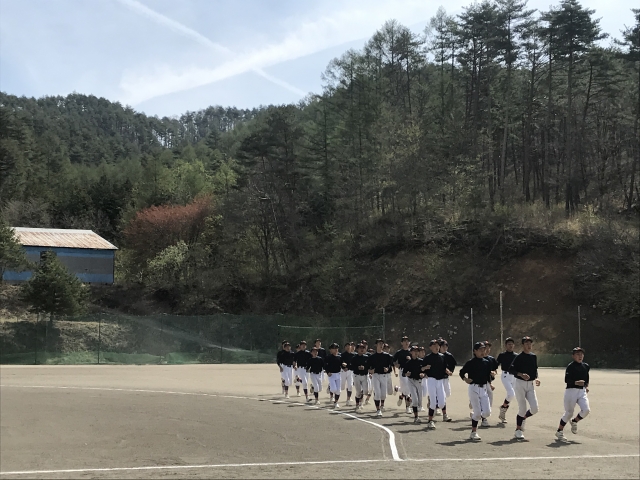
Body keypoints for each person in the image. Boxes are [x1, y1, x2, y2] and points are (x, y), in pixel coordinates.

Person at [509, 336, 541, 440]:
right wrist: (521, 374)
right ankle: (518, 430)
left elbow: (535, 370)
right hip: (520, 384)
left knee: (535, 408)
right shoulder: (519, 357)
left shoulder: (533, 356)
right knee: (522, 408)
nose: (529, 345)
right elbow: (511, 370)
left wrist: (536, 378)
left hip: (530, 385)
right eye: (526, 343)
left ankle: (523, 418)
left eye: (530, 343)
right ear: (523, 345)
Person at [555, 347, 591, 441]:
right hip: (571, 391)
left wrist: (586, 386)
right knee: (569, 413)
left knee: (586, 410)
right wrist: (576, 382)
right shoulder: (570, 366)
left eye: (581, 354)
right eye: (577, 354)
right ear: (573, 356)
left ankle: (574, 421)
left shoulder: (586, 366)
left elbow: (586, 379)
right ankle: (559, 431)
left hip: (582, 391)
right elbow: (567, 380)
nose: (580, 356)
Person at [459, 342, 492, 441]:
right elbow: (461, 372)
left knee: (487, 412)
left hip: (483, 389)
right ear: (475, 351)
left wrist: (490, 383)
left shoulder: (487, 362)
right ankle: (473, 432)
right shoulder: (471, 363)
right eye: (480, 350)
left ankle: (474, 415)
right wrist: (465, 379)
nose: (483, 352)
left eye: (484, 349)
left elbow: (488, 376)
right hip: (473, 388)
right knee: (477, 413)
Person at [421, 339, 451, 429]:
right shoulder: (428, 357)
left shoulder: (442, 356)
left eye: (438, 345)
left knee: (442, 402)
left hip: (440, 380)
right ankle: (430, 421)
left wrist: (447, 371)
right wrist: (425, 368)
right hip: (431, 380)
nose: (436, 347)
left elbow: (444, 367)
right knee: (433, 402)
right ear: (430, 347)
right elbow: (421, 368)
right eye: (434, 345)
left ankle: (443, 413)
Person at [368, 338, 394, 417]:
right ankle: (378, 409)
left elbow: (390, 366)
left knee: (383, 394)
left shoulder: (387, 356)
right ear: (376, 345)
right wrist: (370, 371)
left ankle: (382, 405)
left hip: (384, 376)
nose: (381, 345)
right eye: (379, 343)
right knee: (377, 393)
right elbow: (368, 366)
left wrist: (387, 369)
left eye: (382, 344)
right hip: (375, 375)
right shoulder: (372, 357)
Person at [496, 337, 517, 423]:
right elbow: (496, 364)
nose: (510, 346)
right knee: (511, 393)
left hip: (514, 377)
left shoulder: (516, 356)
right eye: (509, 344)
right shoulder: (502, 355)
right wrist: (493, 370)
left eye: (512, 344)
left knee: (511, 395)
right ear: (506, 345)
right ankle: (503, 408)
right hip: (505, 376)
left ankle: (503, 410)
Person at [402, 346, 425, 424]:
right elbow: (403, 373)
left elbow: (426, 371)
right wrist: (406, 374)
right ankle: (416, 417)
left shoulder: (421, 361)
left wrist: (423, 374)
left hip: (419, 381)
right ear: (411, 352)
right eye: (414, 351)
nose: (416, 352)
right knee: (415, 400)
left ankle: (410, 401)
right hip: (411, 381)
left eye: (417, 351)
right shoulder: (408, 363)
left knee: (420, 402)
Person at [393, 336, 413, 414]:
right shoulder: (399, 352)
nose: (406, 342)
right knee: (407, 387)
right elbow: (393, 360)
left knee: (407, 388)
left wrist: (411, 360)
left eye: (407, 341)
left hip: (411, 371)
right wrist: (396, 364)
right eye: (404, 341)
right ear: (401, 343)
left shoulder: (412, 351)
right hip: (403, 371)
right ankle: (408, 407)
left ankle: (398, 389)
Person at [482, 340, 499, 427]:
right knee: (483, 398)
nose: (487, 349)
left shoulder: (491, 359)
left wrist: (494, 373)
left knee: (490, 398)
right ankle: (483, 418)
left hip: (488, 382)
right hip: (480, 383)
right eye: (485, 347)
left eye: (488, 347)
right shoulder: (479, 359)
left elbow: (495, 370)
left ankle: (483, 414)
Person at [439, 339, 456, 421]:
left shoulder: (449, 356)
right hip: (438, 379)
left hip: (446, 378)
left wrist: (451, 371)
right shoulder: (436, 356)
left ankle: (436, 403)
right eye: (443, 346)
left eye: (446, 346)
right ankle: (444, 414)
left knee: (447, 394)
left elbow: (453, 364)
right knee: (442, 396)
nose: (445, 348)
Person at [350, 343, 370, 412]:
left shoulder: (367, 357)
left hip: (364, 375)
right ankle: (357, 405)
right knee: (358, 392)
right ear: (357, 349)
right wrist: (357, 367)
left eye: (363, 348)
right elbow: (351, 367)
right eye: (360, 348)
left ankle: (361, 401)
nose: (362, 349)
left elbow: (369, 366)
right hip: (356, 375)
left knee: (366, 391)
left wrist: (365, 368)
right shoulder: (354, 358)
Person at [325, 343, 343, 409]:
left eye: (337, 348)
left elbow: (341, 364)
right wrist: (327, 372)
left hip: (338, 374)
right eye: (334, 348)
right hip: (331, 374)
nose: (336, 350)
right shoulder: (328, 357)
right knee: (334, 389)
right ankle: (330, 387)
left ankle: (336, 402)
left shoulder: (339, 357)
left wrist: (344, 365)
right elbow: (325, 365)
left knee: (338, 390)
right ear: (330, 350)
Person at [340, 342, 355, 406]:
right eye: (347, 346)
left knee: (350, 385)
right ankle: (330, 388)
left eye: (349, 346)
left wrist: (348, 367)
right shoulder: (342, 355)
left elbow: (354, 364)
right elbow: (340, 362)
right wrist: (343, 366)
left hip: (350, 371)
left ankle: (348, 399)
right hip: (343, 371)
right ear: (345, 348)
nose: (348, 347)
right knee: (342, 387)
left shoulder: (353, 355)